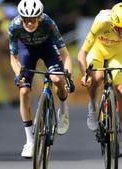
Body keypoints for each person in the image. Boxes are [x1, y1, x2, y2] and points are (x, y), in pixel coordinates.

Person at [78, 2, 122, 156]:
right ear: (112, 23)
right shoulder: (102, 22)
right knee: (97, 77)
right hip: (97, 50)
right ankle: (92, 105)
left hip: (118, 52)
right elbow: (82, 53)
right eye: (119, 29)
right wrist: (85, 73)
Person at [8, 0, 74, 158]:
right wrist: (19, 75)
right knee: (24, 91)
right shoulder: (14, 26)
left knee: (57, 80)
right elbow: (13, 57)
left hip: (47, 48)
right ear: (21, 18)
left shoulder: (48, 23)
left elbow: (65, 54)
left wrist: (68, 76)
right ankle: (30, 141)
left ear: (39, 17)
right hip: (26, 50)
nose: (29, 23)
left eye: (33, 19)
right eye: (26, 19)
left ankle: (63, 109)